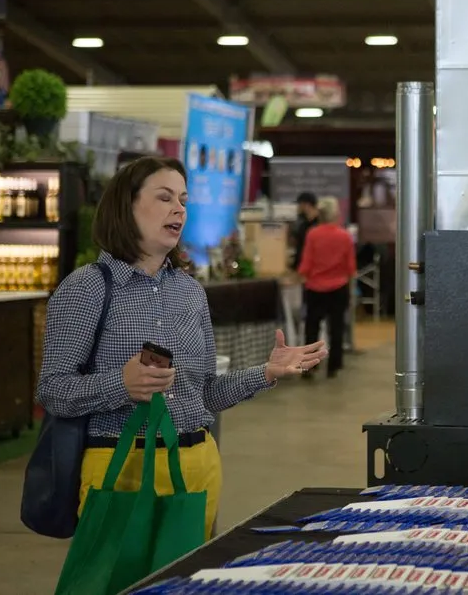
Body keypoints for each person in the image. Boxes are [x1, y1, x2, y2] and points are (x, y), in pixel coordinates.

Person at [35, 157, 328, 539]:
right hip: (121, 470)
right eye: (165, 197)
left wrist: (265, 373)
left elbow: (204, 393)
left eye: (183, 200)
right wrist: (121, 385)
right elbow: (53, 390)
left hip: (197, 466)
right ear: (126, 206)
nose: (179, 209)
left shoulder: (190, 292)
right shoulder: (85, 289)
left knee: (189, 571)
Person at [298, 197, 356, 378]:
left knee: (312, 328)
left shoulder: (312, 234)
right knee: (336, 328)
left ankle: (309, 366)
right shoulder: (345, 236)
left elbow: (306, 264)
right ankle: (334, 366)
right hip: (338, 288)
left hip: (315, 289)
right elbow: (350, 267)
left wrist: (301, 275)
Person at [291, 192, 319, 271]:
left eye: (299, 205)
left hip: (312, 270)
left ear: (306, 205)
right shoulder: (303, 225)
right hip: (302, 268)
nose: (298, 208)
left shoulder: (318, 226)